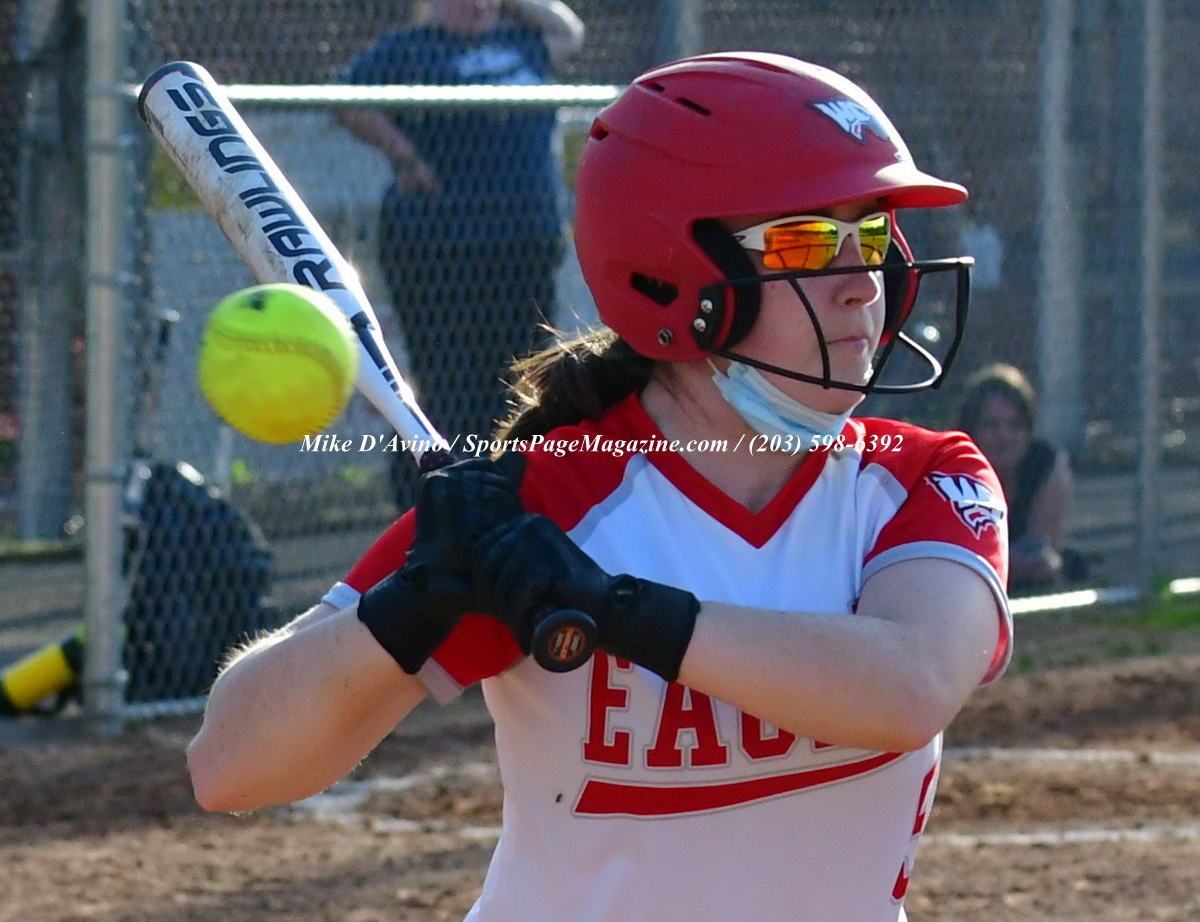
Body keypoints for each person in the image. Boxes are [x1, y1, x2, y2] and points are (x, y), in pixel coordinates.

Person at [189, 53, 1012, 922]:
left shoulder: (919, 480)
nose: (861, 287)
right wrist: (413, 602)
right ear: (670, 271)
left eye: (872, 237)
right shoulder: (545, 504)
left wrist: (612, 608)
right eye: (805, 242)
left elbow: (910, 684)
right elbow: (230, 767)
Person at [333, 0, 585, 506]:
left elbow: (569, 31)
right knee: (449, 385)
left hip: (522, 244)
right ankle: (433, 500)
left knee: (524, 378)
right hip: (438, 247)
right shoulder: (409, 50)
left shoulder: (520, 43)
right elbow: (346, 100)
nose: (478, 5)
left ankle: (515, 496)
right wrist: (406, 156)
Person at [956, 362, 1081, 594]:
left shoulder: (1045, 464)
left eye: (1015, 426)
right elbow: (957, 556)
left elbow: (1043, 552)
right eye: (991, 425)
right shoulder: (952, 469)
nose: (1004, 436)